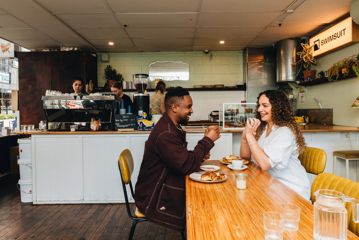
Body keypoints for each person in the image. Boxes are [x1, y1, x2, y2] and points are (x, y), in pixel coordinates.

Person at [135, 87, 221, 231]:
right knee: (204, 202)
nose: (191, 111)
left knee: (206, 196)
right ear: (174, 107)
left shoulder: (171, 126)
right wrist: (207, 140)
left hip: (160, 184)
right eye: (188, 107)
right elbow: (186, 165)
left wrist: (198, 155)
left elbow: (180, 158)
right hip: (152, 195)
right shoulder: (166, 133)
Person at [240, 90, 310, 200]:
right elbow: (245, 157)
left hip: (290, 189)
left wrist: (250, 136)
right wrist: (245, 138)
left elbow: (265, 164)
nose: (259, 109)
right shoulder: (264, 128)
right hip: (270, 183)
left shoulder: (285, 132)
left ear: (278, 107)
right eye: (259, 105)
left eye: (265, 105)